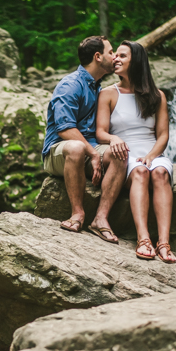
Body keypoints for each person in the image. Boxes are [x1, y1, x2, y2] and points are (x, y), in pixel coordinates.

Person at [95, 40, 176, 263]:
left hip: (152, 151)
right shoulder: (108, 94)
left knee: (159, 173)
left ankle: (164, 243)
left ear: (137, 61)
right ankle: (143, 239)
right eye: (116, 55)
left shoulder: (157, 95)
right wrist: (114, 138)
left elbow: (163, 135)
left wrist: (151, 156)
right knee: (140, 172)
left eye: (123, 56)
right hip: (126, 153)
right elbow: (100, 132)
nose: (116, 59)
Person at [42, 36, 127, 243]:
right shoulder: (70, 85)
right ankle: (77, 214)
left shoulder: (97, 87)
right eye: (110, 52)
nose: (114, 56)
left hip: (89, 148)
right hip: (59, 151)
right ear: (98, 57)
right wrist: (93, 154)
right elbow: (65, 129)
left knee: (120, 155)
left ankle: (100, 219)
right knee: (77, 147)